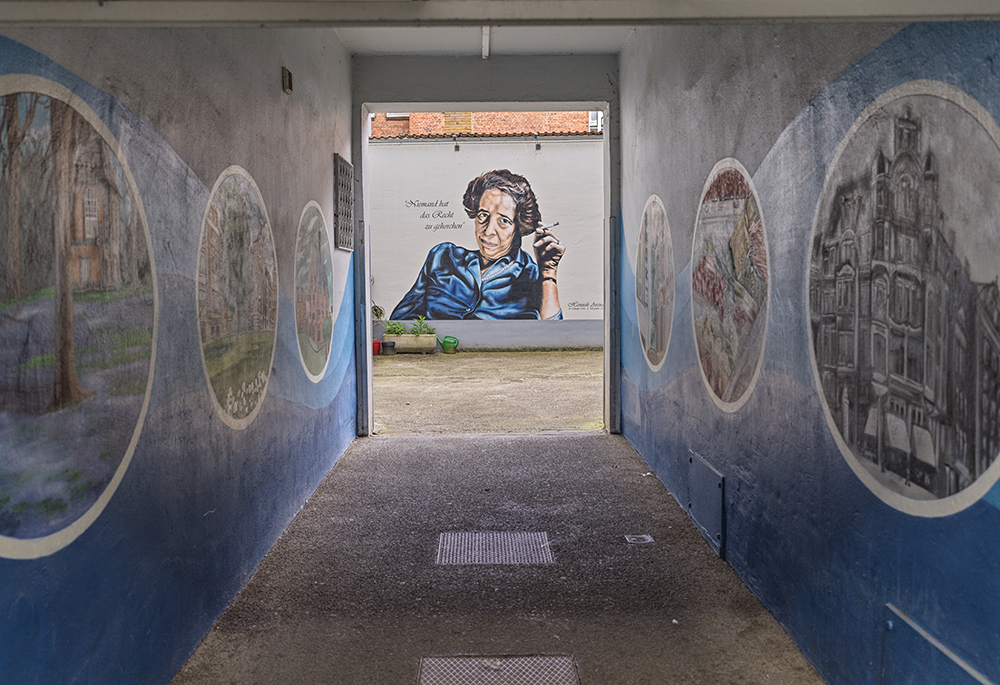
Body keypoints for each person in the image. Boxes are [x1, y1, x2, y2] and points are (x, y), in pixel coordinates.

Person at [390, 169, 566, 320]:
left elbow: (552, 334)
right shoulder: (444, 257)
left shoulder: (533, 275)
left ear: (519, 227)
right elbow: (401, 319)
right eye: (483, 215)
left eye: (503, 221)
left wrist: (549, 272)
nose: (488, 230)